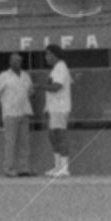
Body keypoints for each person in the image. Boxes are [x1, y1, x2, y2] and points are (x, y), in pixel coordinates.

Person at [0, 53, 35, 177]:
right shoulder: (3, 76)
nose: (18, 63)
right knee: (11, 142)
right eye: (15, 61)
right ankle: (9, 168)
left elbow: (30, 92)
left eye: (19, 61)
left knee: (24, 142)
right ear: (10, 62)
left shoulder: (25, 76)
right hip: (10, 114)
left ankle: (24, 168)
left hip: (24, 112)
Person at [41, 45, 74, 178]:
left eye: (48, 54)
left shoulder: (61, 67)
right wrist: (47, 108)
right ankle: (57, 166)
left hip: (60, 107)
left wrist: (38, 86)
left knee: (60, 135)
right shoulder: (55, 69)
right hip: (53, 107)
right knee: (53, 136)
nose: (46, 57)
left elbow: (56, 87)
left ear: (54, 55)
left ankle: (65, 167)